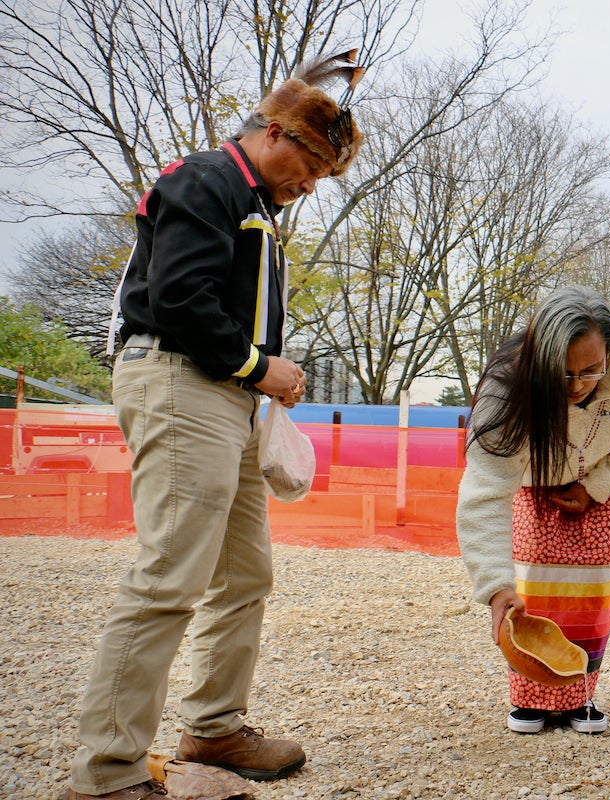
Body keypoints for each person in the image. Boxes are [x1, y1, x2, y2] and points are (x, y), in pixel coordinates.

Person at [66, 53, 364, 800]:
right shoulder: (207, 180)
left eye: (324, 174)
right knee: (170, 575)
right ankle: (106, 773)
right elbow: (178, 298)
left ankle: (213, 725)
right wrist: (261, 366)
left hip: (219, 391)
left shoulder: (248, 197)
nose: (310, 185)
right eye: (312, 165)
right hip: (180, 380)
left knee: (244, 573)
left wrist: (255, 373)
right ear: (274, 133)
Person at [456, 285, 610, 735]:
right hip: (533, 483)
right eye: (562, 375)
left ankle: (581, 696)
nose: (577, 387)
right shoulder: (505, 386)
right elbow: (485, 491)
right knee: (532, 587)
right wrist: (495, 587)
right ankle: (530, 701)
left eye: (590, 371)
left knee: (594, 592)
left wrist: (598, 485)